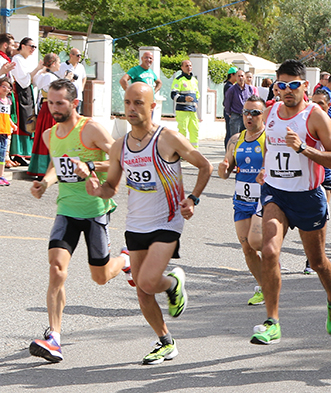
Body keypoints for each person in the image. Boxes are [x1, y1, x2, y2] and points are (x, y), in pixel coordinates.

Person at [86, 82, 212, 364]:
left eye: (138, 103)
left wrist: (193, 198)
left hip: (167, 220)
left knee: (147, 280)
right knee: (143, 292)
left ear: (152, 106)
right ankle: (165, 341)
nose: (131, 108)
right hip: (136, 224)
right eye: (128, 103)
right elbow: (111, 187)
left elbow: (205, 165)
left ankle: (172, 282)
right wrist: (97, 189)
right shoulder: (120, 147)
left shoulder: (168, 138)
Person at [27, 79, 129, 363]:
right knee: (56, 268)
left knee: (100, 277)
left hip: (95, 208)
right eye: (50, 102)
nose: (54, 107)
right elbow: (55, 166)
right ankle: (55, 338)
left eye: (59, 102)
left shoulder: (90, 129)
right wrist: (45, 183)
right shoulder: (49, 135)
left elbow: (120, 158)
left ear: (74, 103)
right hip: (66, 209)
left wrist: (92, 166)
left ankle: (124, 261)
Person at [251, 59, 331, 345]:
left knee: (317, 262)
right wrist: (266, 168)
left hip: (307, 196)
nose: (287, 90)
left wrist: (303, 148)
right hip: (276, 193)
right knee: (268, 251)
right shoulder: (270, 113)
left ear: (305, 86)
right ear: (276, 87)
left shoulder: (315, 116)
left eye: (294, 85)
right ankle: (273, 322)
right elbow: (269, 146)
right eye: (282, 85)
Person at [219, 95, 267, 306]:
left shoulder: (268, 138)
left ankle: (272, 267)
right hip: (241, 198)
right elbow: (226, 171)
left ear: (263, 114)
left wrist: (267, 173)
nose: (249, 116)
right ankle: (264, 285)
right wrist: (223, 168)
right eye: (246, 112)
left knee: (258, 242)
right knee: (247, 248)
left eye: (255, 112)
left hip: (263, 199)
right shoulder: (235, 139)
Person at [28, 53, 63, 177]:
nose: (59, 64)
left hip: (45, 108)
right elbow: (58, 93)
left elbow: (35, 81)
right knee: (51, 136)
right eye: (58, 62)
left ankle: (41, 168)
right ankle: (46, 169)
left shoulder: (44, 75)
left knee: (44, 135)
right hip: (50, 108)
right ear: (53, 64)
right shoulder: (49, 77)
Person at [9, 37, 38, 165]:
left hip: (28, 91)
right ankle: (18, 152)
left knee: (30, 120)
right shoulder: (17, 59)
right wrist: (36, 71)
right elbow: (22, 79)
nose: (33, 49)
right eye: (31, 46)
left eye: (34, 47)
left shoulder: (29, 60)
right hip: (20, 91)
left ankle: (27, 151)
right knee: (22, 119)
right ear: (23, 46)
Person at [171, 59, 200, 148]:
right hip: (182, 110)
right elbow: (173, 95)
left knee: (195, 130)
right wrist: (184, 98)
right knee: (182, 131)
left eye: (190, 66)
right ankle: (181, 152)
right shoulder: (178, 80)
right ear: (182, 68)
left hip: (193, 110)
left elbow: (197, 94)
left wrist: (196, 102)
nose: (189, 68)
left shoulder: (194, 80)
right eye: (186, 66)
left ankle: (194, 151)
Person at [224, 70, 253, 150]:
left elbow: (252, 101)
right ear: (236, 78)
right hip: (236, 116)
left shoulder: (249, 89)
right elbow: (227, 103)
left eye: (242, 76)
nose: (240, 78)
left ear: (245, 77)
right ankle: (233, 155)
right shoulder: (231, 89)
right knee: (235, 137)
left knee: (247, 136)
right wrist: (229, 113)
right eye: (239, 76)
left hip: (247, 116)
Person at [0, 78, 14, 185]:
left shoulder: (8, 101)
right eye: (3, 86)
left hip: (5, 130)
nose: (6, 89)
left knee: (2, 154)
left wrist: (12, 124)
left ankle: (1, 175)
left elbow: (7, 115)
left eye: (8, 87)